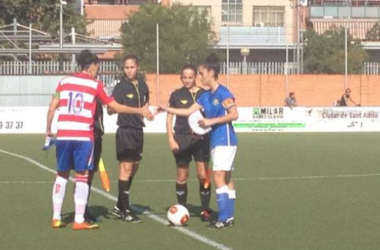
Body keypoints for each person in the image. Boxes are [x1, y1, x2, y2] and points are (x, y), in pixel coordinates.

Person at [46, 50, 153, 230]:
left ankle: (56, 217)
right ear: (92, 65)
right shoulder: (95, 84)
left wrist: (48, 129)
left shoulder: (63, 82)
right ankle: (79, 220)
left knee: (62, 174)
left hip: (63, 134)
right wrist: (139, 111)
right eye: (97, 67)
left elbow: (52, 107)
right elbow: (115, 106)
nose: (98, 71)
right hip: (82, 136)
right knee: (82, 175)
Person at [161, 53, 238, 229]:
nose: (200, 77)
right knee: (226, 176)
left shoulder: (223, 93)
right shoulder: (206, 96)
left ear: (211, 73)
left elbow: (234, 114)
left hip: (225, 139)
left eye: (202, 73)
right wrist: (165, 108)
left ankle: (224, 217)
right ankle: (229, 216)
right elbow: (188, 111)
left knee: (218, 176)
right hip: (215, 141)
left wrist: (211, 121)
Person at [166, 64, 212, 222]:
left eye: (190, 77)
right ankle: (182, 208)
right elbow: (170, 116)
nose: (187, 80)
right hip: (182, 138)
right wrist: (171, 138)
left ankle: (205, 209)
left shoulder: (204, 94)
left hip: (201, 139)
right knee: (182, 175)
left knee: (202, 174)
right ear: (181, 78)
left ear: (196, 77)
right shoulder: (176, 95)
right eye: (184, 77)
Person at [109, 55, 150, 223]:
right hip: (125, 132)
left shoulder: (143, 86)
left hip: (138, 131)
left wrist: (149, 114)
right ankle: (125, 210)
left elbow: (145, 107)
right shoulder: (120, 87)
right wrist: (111, 110)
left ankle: (120, 204)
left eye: (132, 67)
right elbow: (111, 108)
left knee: (134, 167)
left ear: (137, 67)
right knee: (125, 168)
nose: (129, 70)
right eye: (126, 67)